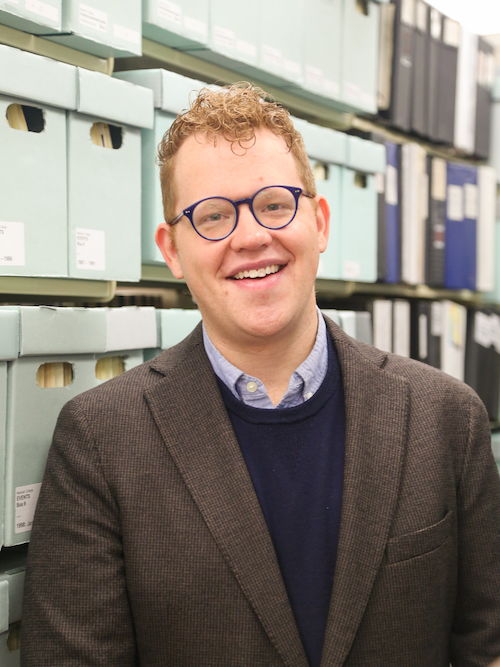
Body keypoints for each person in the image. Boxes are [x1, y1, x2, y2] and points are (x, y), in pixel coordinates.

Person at [22, 83, 500, 667]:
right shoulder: (99, 442)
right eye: (213, 216)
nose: (251, 237)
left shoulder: (446, 420)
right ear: (172, 250)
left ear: (319, 223)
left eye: (275, 204)